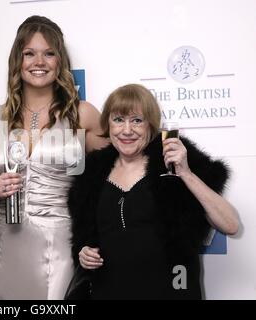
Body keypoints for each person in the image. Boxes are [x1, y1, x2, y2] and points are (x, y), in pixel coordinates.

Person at [0, 15, 107, 299]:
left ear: (60, 61)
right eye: (29, 53)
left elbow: (118, 170)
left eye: (49, 53)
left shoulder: (83, 115)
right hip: (1, 243)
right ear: (17, 61)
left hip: (59, 246)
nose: (39, 62)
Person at [69, 83, 239, 299]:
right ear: (107, 125)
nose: (127, 130)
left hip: (169, 292)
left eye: (137, 120)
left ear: (151, 125)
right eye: (118, 120)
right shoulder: (91, 174)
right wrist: (84, 253)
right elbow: (84, 238)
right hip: (109, 292)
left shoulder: (174, 161)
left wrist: (185, 173)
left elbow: (230, 225)